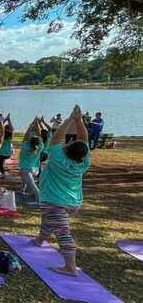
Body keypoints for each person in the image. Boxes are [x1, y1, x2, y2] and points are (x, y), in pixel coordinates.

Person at [34, 105, 91, 276]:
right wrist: (79, 120)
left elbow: (56, 138)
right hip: (71, 202)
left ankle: (70, 267)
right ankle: (40, 239)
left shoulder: (58, 158)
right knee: (48, 219)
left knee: (63, 233)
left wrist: (69, 119)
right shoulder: (83, 161)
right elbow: (84, 139)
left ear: (66, 149)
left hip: (55, 201)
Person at [19, 118, 44, 204]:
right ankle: (22, 190)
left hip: (26, 169)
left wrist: (30, 126)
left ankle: (39, 200)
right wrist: (37, 124)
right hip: (35, 169)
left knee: (32, 186)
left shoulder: (26, 146)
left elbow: (25, 137)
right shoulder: (41, 147)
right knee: (24, 180)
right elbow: (39, 135)